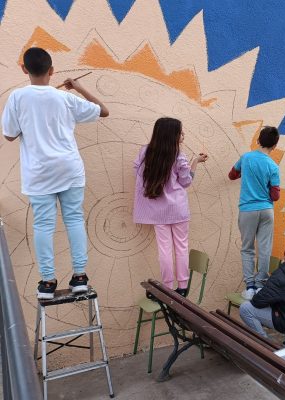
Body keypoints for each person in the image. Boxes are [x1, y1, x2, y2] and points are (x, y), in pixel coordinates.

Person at [1, 47, 109, 299]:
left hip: (39, 173)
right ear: (52, 71)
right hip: (69, 169)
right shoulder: (65, 98)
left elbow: (8, 134)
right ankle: (80, 277)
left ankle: (47, 282)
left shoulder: (17, 98)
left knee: (43, 225)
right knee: (73, 219)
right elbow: (103, 111)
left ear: (24, 69)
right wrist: (79, 87)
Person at [133, 117, 208, 296]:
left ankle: (167, 286)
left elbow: (137, 170)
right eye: (180, 132)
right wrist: (195, 162)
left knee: (164, 249)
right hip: (178, 209)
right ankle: (182, 287)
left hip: (157, 211)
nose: (183, 135)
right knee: (181, 246)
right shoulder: (179, 155)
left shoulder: (145, 152)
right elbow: (186, 181)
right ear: (172, 134)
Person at [229, 126, 281, 300]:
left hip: (247, 210)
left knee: (247, 249)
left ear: (258, 140)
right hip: (266, 210)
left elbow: (232, 175)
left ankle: (250, 286)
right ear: (274, 146)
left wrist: (246, 175)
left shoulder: (246, 158)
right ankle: (260, 285)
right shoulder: (273, 166)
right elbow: (275, 195)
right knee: (265, 248)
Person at [239, 239, 285, 346]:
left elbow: (258, 301)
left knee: (245, 308)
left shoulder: (281, 274)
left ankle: (264, 344)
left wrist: (259, 291)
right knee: (284, 301)